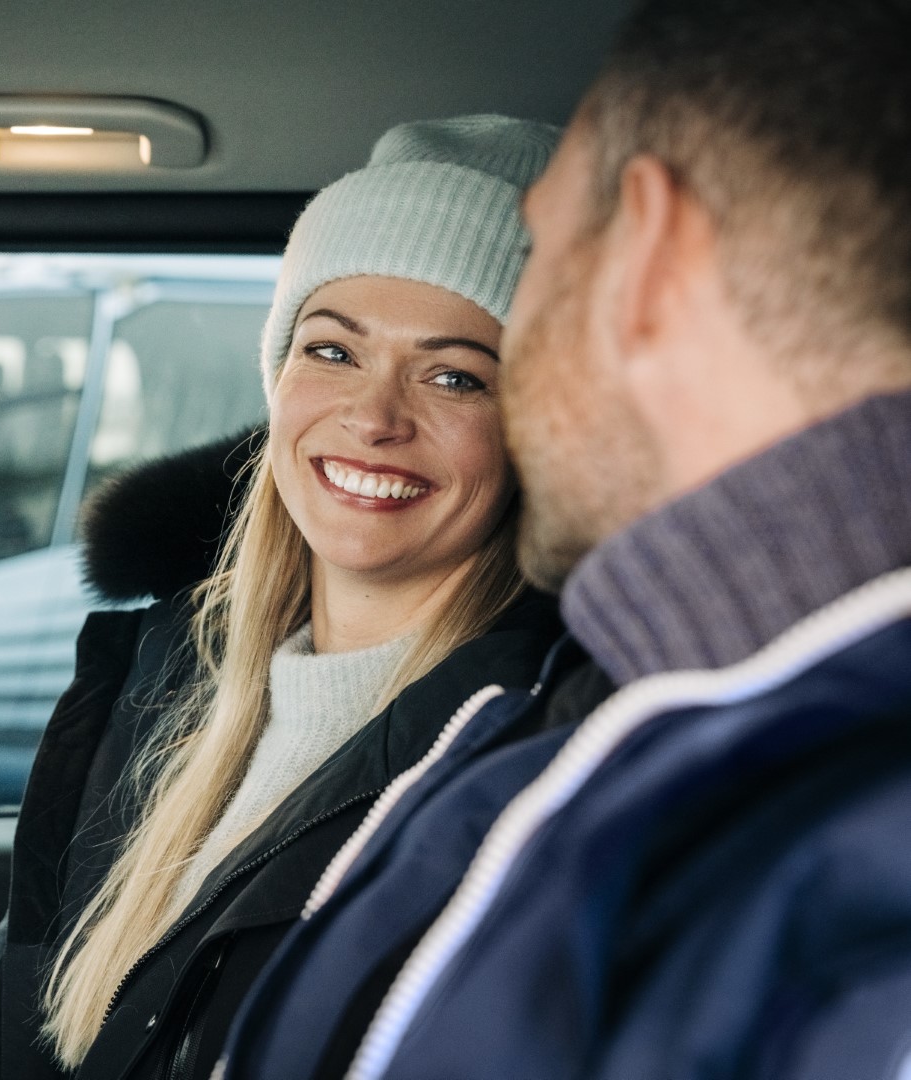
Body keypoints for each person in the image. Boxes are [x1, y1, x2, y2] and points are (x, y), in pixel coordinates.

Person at [216, 1, 911, 1078]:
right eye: (332, 352)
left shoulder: (795, 826)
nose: (380, 415)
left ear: (647, 252)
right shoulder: (633, 722)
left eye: (538, 253)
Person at [0, 115, 564, 1080]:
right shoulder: (160, 677)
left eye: (455, 375)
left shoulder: (539, 753)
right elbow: (5, 1032)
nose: (373, 418)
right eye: (333, 351)